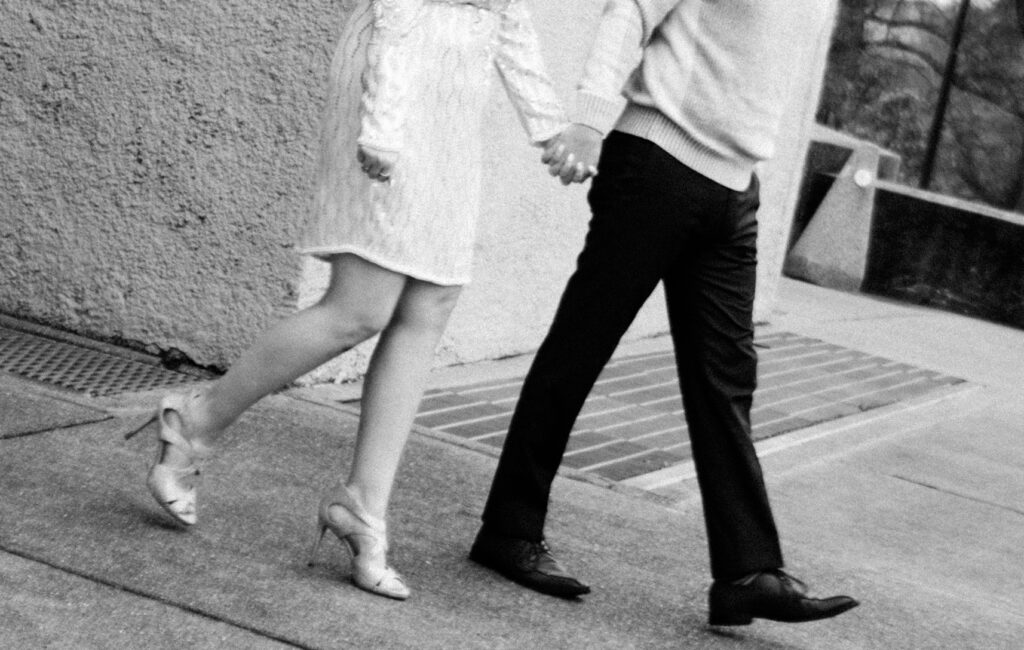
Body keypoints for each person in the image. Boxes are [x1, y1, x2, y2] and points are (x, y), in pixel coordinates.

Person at [127, 0, 574, 601]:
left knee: (431, 301)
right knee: (361, 305)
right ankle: (196, 421)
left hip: (454, 85)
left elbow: (508, 11)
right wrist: (383, 125)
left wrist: (549, 124)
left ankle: (363, 508)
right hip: (394, 70)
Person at [469, 0, 861, 625]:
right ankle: (508, 529)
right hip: (656, 162)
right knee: (582, 347)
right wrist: (590, 122)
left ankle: (746, 572)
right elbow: (629, 9)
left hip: (735, 187)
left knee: (727, 379)